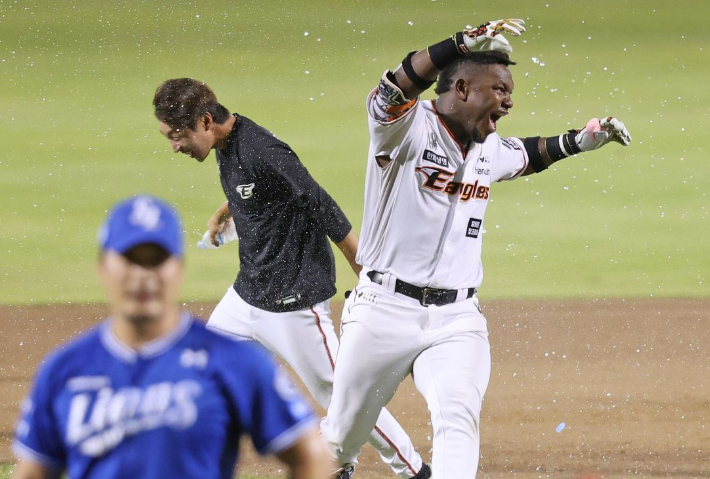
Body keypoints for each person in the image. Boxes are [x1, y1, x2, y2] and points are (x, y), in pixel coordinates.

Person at [320, 18, 632, 479]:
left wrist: (579, 142)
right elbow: (394, 86)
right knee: (338, 443)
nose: (509, 99)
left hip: (456, 319)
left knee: (457, 416)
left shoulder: (488, 148)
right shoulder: (403, 129)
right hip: (382, 310)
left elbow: (527, 154)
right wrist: (458, 43)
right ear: (461, 88)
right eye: (500, 89)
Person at [152, 80, 430, 479]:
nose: (174, 146)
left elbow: (320, 203)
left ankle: (415, 471)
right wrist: (228, 209)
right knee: (199, 374)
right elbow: (261, 187)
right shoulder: (226, 144)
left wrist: (366, 273)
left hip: (295, 306)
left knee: (343, 399)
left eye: (177, 136)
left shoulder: (262, 149)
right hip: (246, 299)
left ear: (205, 121)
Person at [11, 195, 332, 479]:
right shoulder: (65, 370)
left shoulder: (232, 360)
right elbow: (32, 471)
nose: (143, 275)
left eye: (157, 260)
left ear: (178, 268)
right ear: (103, 268)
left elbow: (309, 456)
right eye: (130, 260)